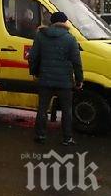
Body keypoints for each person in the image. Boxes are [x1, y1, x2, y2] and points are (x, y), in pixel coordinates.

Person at [28, 12, 83, 146]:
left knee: (42, 109)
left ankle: (40, 135)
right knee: (66, 111)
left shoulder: (41, 36)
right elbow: (77, 62)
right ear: (64, 22)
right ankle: (67, 138)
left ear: (52, 22)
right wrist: (79, 80)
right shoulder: (70, 39)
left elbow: (33, 57)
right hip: (64, 82)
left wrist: (35, 72)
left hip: (45, 79)